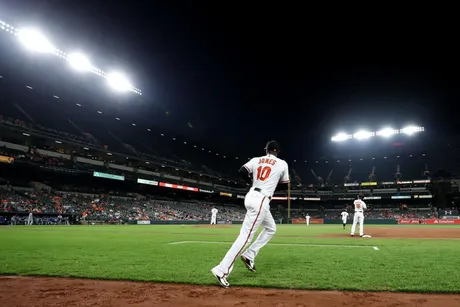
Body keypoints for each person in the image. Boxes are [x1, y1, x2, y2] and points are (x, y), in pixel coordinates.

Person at [211, 140, 289, 288]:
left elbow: (241, 171)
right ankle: (221, 270)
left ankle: (249, 255)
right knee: (245, 237)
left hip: (252, 196)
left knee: (271, 228)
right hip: (262, 199)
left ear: (266, 150)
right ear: (278, 151)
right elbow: (285, 185)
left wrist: (252, 183)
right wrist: (270, 186)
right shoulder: (282, 163)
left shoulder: (256, 159)